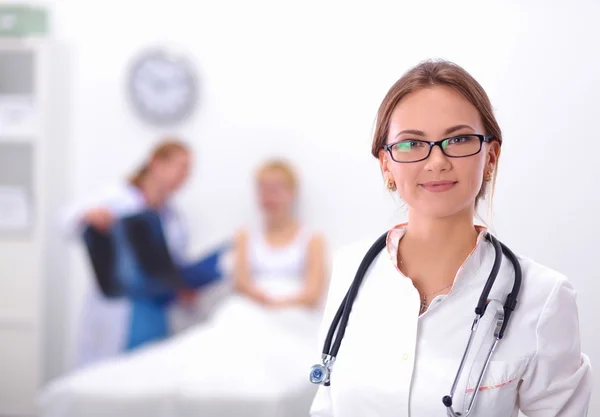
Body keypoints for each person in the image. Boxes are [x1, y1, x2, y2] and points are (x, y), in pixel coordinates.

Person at [309, 60, 592, 416]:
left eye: (458, 139)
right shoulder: (350, 269)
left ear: (491, 156)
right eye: (412, 142)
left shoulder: (544, 297)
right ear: (386, 164)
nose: (437, 160)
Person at [63, 138, 223, 367]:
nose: (185, 176)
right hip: (120, 306)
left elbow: (169, 265)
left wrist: (183, 288)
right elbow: (66, 220)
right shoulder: (116, 197)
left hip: (155, 308)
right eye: (182, 167)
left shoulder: (175, 218)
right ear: (156, 163)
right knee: (109, 379)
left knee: (148, 376)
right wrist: (89, 215)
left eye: (189, 170)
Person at [233, 159, 327, 310]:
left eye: (275, 190)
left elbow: (314, 293)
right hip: (252, 310)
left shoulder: (312, 239)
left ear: (292, 192)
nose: (269, 198)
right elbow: (241, 283)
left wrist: (281, 304)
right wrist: (260, 299)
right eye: (263, 190)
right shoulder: (244, 236)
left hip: (296, 314)